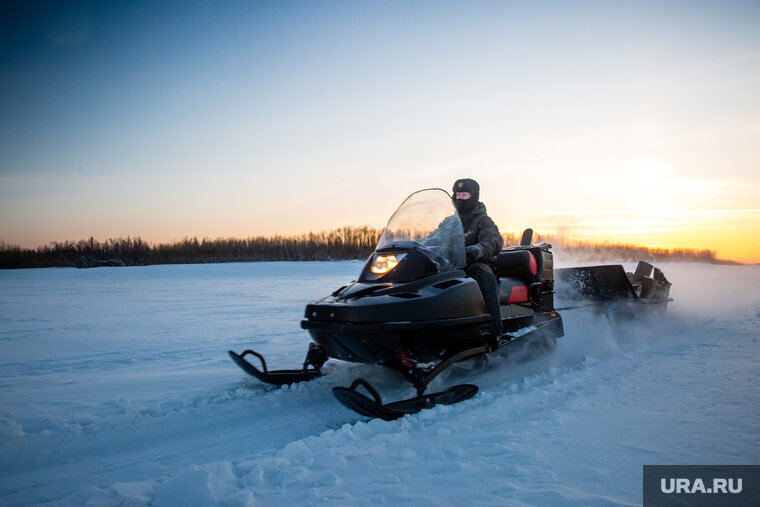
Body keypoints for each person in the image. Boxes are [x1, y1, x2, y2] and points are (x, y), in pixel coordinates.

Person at [452, 178, 504, 337]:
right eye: (457, 194)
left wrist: (476, 250)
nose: (460, 198)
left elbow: (493, 242)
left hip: (477, 265)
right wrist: (417, 246)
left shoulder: (483, 220)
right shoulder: (449, 222)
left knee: (478, 272)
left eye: (464, 194)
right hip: (453, 266)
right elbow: (434, 238)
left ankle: (494, 332)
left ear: (473, 196)